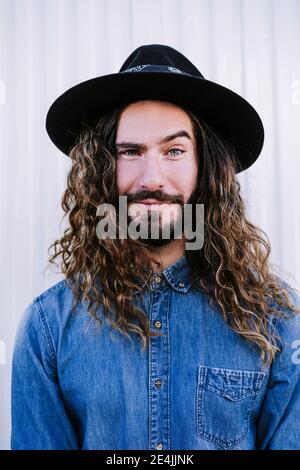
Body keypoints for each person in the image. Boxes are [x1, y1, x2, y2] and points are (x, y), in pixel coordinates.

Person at [11, 44, 300, 450]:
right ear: (103, 171)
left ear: (206, 170)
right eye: (130, 152)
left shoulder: (278, 321)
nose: (152, 178)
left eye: (174, 151)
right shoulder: (48, 329)